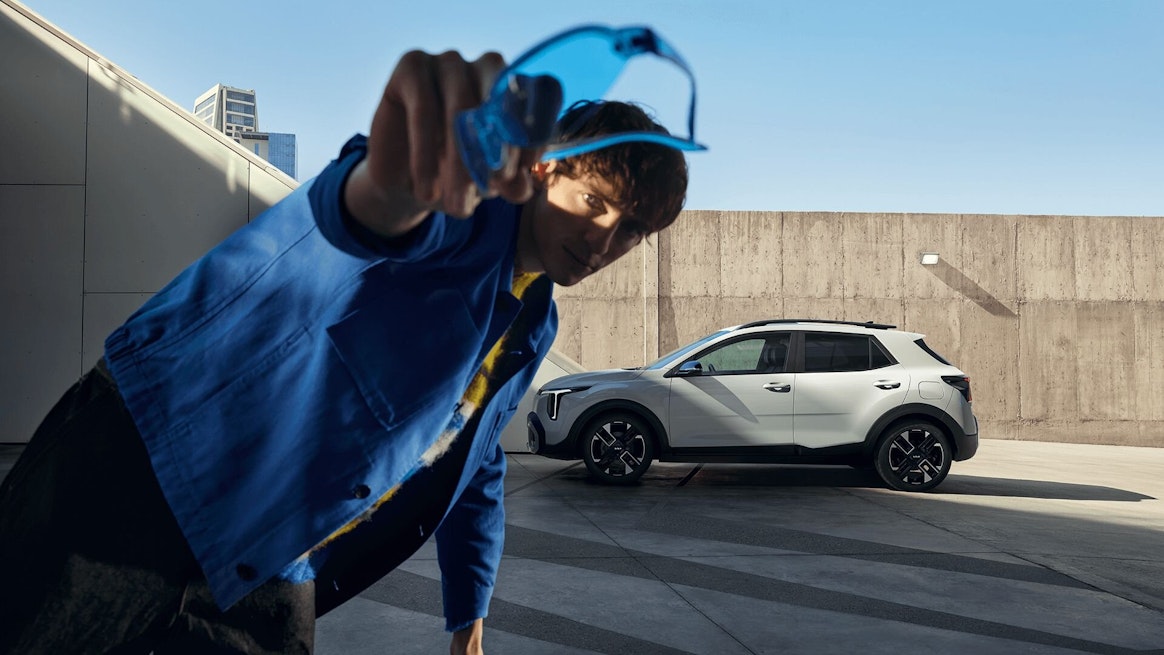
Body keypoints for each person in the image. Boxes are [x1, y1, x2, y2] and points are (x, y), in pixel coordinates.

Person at [0, 46, 689, 655]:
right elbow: (360, 218)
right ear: (544, 169)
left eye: (632, 228)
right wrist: (392, 185)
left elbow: (475, 466)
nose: (605, 239)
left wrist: (469, 608)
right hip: (145, 470)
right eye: (595, 200)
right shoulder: (456, 214)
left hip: (274, 556)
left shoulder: (533, 322)